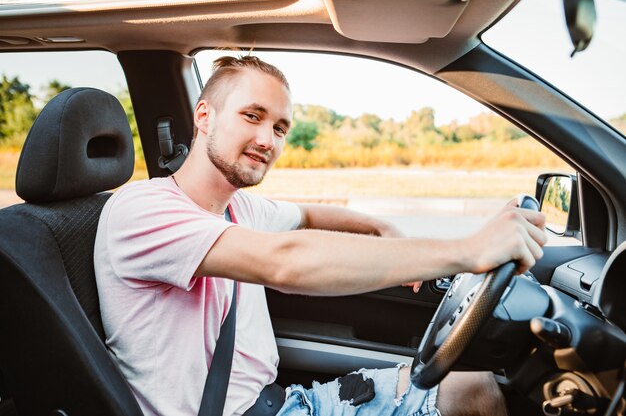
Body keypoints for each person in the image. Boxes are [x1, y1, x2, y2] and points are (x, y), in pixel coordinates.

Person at [94, 55, 547, 416]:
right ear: (205, 116)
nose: (268, 140)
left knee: (471, 383)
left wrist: (379, 226)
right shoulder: (142, 211)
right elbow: (286, 261)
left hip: (282, 403)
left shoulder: (239, 207)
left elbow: (308, 215)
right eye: (252, 116)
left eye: (279, 127)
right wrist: (467, 250)